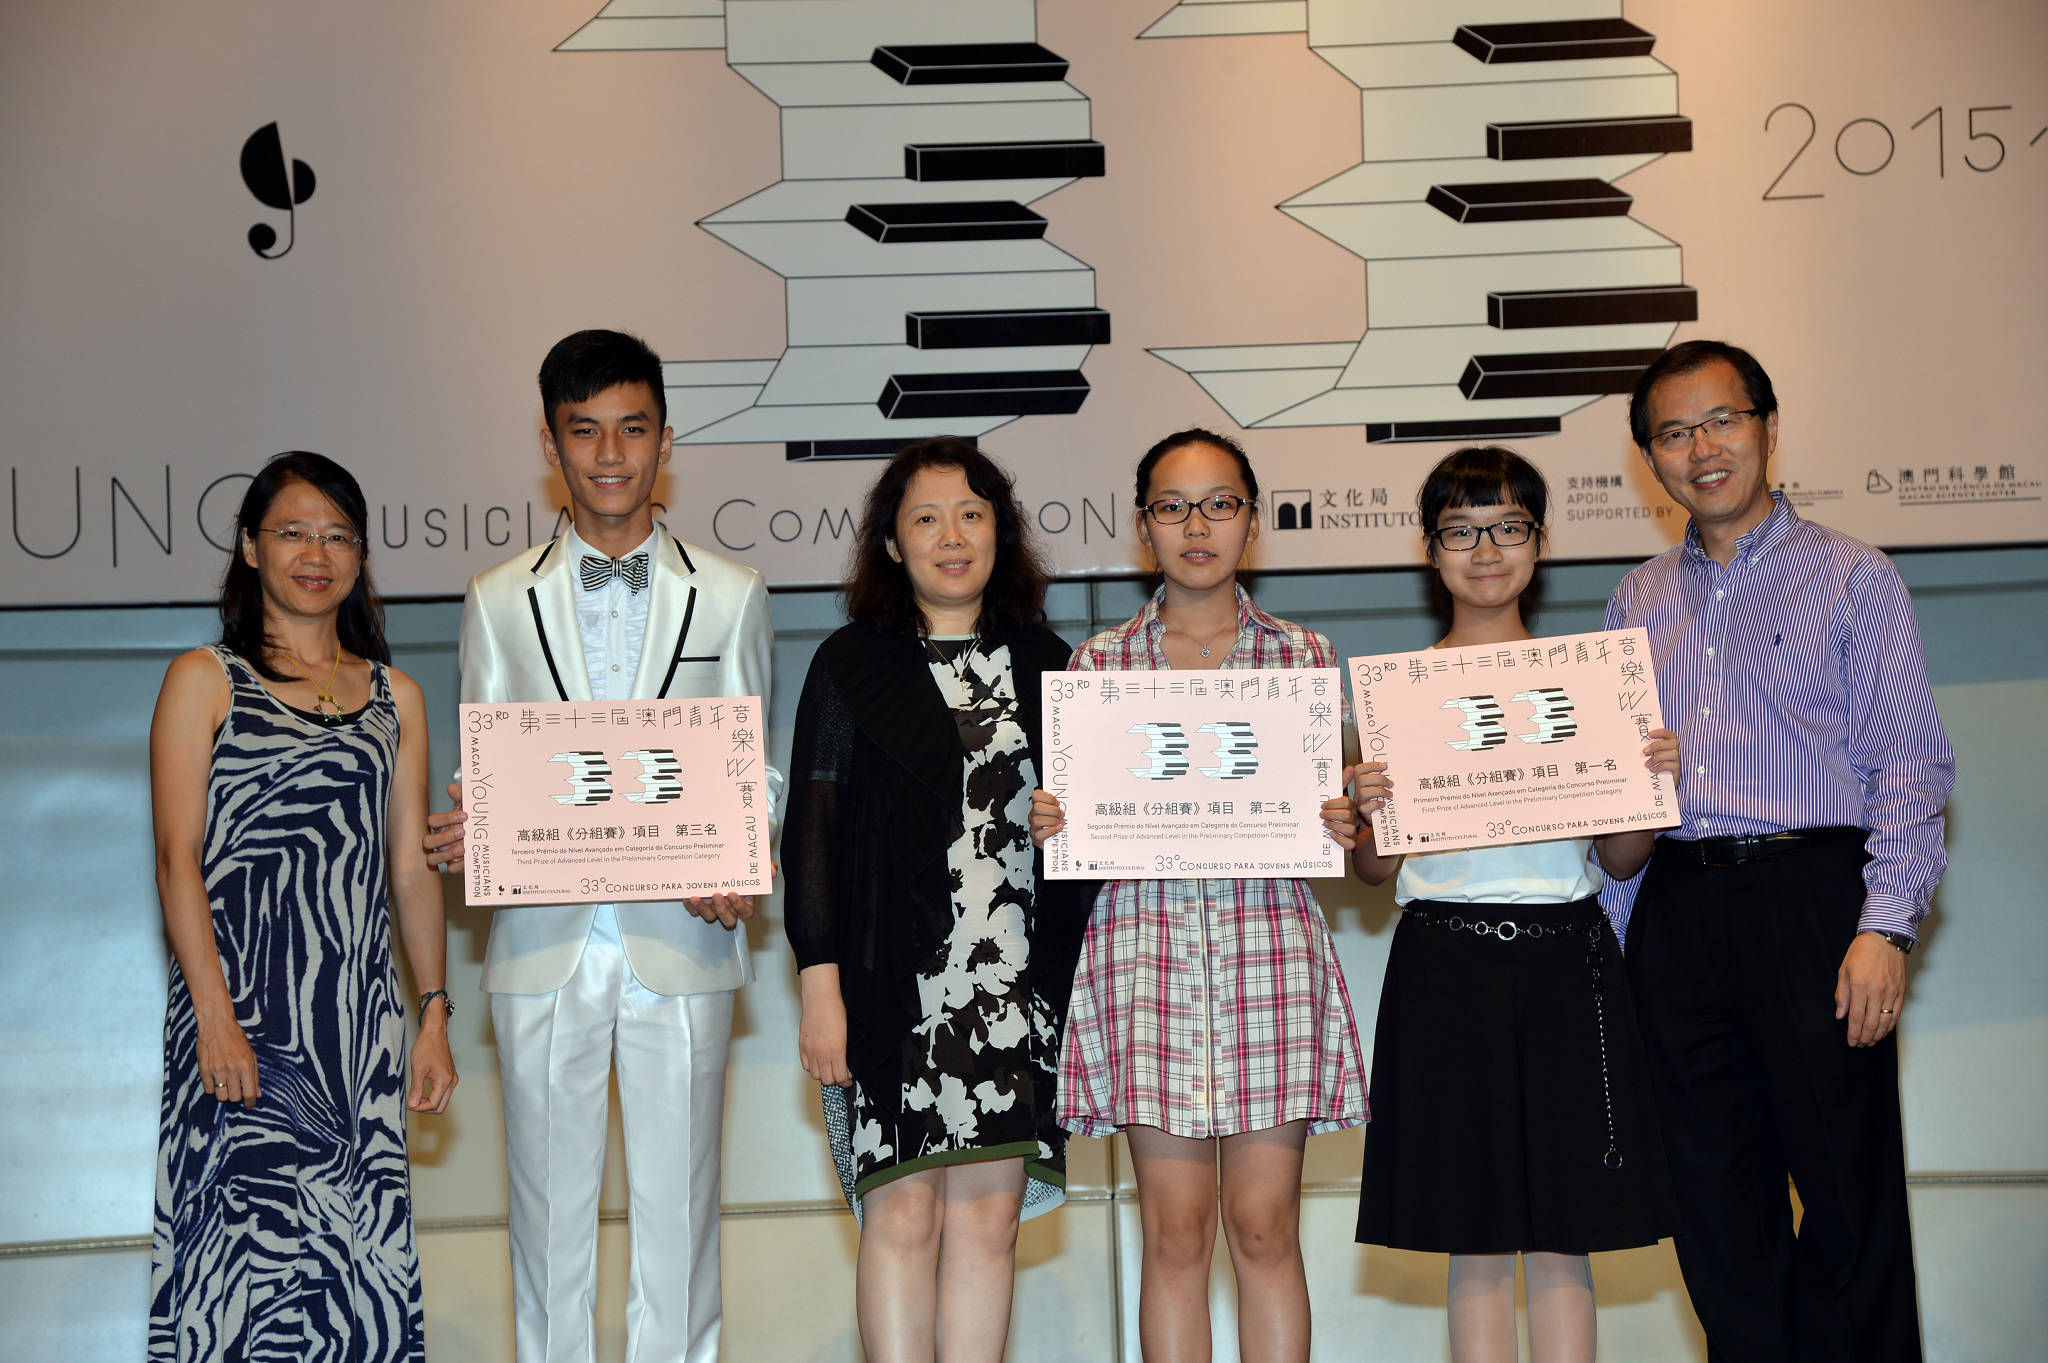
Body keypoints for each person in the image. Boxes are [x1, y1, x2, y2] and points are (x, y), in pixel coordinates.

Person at [422, 330, 780, 1363]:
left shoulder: (732, 592)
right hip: (544, 942)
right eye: (585, 431)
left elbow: (752, 764)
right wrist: (476, 825)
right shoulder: (496, 597)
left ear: (666, 440)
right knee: (546, 1230)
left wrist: (739, 846)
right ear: (551, 444)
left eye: (632, 428)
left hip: (684, 937)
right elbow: (487, 758)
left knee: (680, 1227)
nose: (610, 453)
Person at [1603, 340, 1954, 1363]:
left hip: (1814, 903)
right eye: (1674, 433)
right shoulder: (1634, 600)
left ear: (1764, 426)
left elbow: (1907, 764)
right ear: (1649, 459)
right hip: (1677, 909)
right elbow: (1619, 793)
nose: (1702, 448)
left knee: (1847, 1199)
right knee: (1715, 1213)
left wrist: (1885, 926)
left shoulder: (1853, 576)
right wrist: (1622, 952)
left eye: (1722, 420)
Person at [1030, 428, 1367, 1363]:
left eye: (1220, 503)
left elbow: (1323, 816)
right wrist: (1060, 821)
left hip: (1269, 953)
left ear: (1252, 521)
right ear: (1143, 527)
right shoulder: (1099, 665)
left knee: (1265, 1228)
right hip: (1147, 958)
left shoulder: (1302, 657)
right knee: (1174, 1233)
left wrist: (1341, 819)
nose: (1197, 525)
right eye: (1173, 507)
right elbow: (1086, 828)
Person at [1347, 447, 1678, 1363]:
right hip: (1444, 965)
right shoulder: (1399, 693)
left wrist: (1649, 786)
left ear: (1540, 542)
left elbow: (1620, 857)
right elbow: (1373, 871)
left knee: (1570, 1229)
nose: (1485, 550)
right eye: (1461, 530)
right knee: (1476, 1233)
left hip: (1570, 960)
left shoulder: (1592, 682)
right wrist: (1366, 806)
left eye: (1507, 527)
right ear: (1429, 548)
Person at [780, 437, 1096, 1363]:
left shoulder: (1052, 662)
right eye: (926, 518)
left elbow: (1095, 834)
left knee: (990, 1220)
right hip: (892, 987)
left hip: (1017, 990)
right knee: (903, 1213)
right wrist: (819, 984)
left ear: (1001, 531)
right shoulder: (849, 664)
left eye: (970, 514)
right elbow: (812, 835)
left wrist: (1069, 826)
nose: (951, 536)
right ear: (892, 542)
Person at [148, 451, 457, 1362]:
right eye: (293, 532)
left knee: (356, 1269)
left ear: (360, 555)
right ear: (251, 547)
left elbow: (410, 872)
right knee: (240, 1263)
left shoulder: (396, 696)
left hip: (355, 1031)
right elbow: (175, 861)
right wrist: (215, 1018)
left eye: (338, 536)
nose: (316, 554)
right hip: (238, 1022)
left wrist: (433, 1015)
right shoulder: (204, 678)